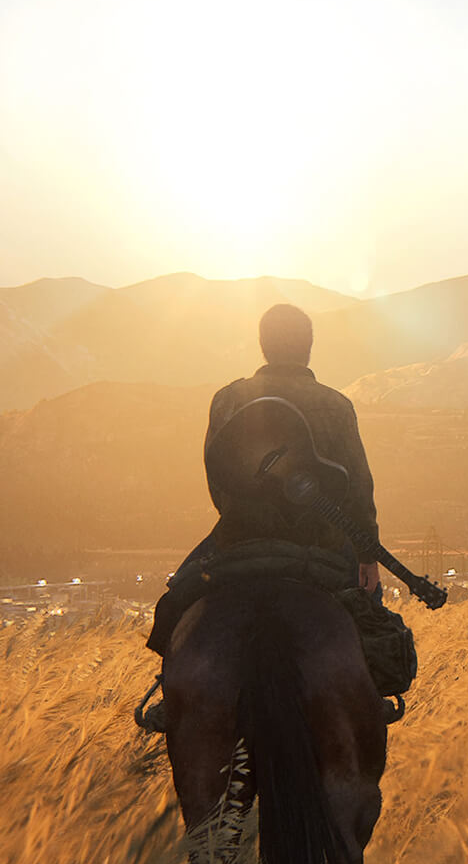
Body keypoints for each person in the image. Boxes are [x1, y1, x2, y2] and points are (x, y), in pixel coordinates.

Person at [137, 303, 383, 730]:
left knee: (178, 602)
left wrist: (240, 515)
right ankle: (374, 694)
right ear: (308, 348)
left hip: (239, 538)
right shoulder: (336, 405)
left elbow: (218, 476)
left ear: (263, 346)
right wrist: (367, 555)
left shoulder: (229, 398)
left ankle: (170, 696)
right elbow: (358, 486)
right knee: (372, 615)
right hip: (322, 541)